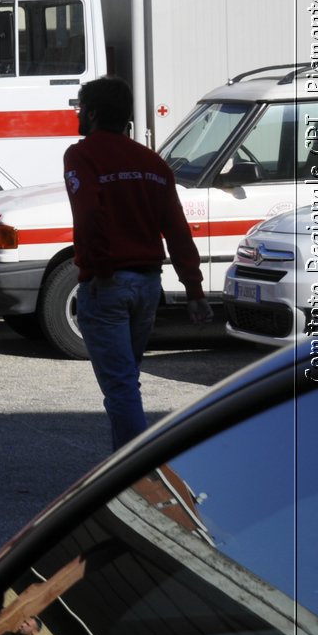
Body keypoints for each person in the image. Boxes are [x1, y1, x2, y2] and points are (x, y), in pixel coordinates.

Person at [64, 76, 210, 450]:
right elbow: (178, 230)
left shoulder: (81, 156)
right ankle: (123, 469)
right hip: (147, 284)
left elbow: (89, 216)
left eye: (81, 107)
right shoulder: (154, 164)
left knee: (121, 387)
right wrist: (194, 290)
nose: (79, 114)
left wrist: (101, 272)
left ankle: (135, 476)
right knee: (127, 380)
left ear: (93, 113)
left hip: (108, 285)